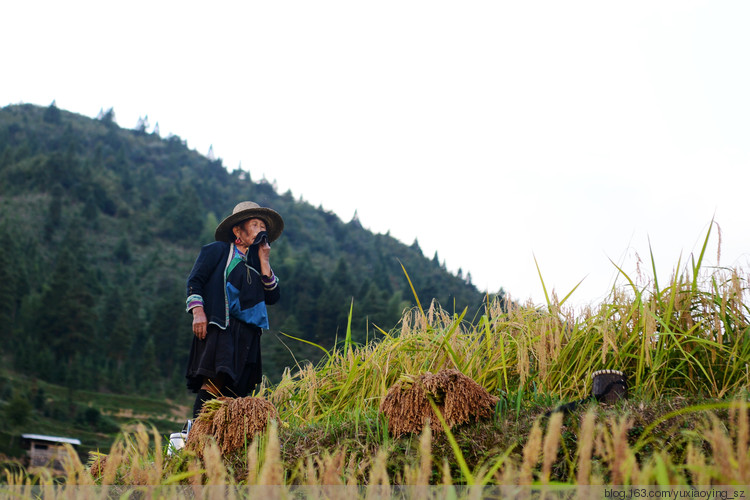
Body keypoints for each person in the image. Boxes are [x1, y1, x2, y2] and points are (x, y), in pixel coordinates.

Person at [185, 201, 284, 419]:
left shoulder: (257, 264)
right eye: (255, 224)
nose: (261, 230)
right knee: (213, 381)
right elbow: (195, 281)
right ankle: (194, 435)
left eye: (263, 227)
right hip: (222, 327)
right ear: (238, 230)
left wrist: (264, 260)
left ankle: (220, 442)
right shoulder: (218, 251)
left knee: (234, 393)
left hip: (247, 335)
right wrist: (198, 312)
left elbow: (273, 296)